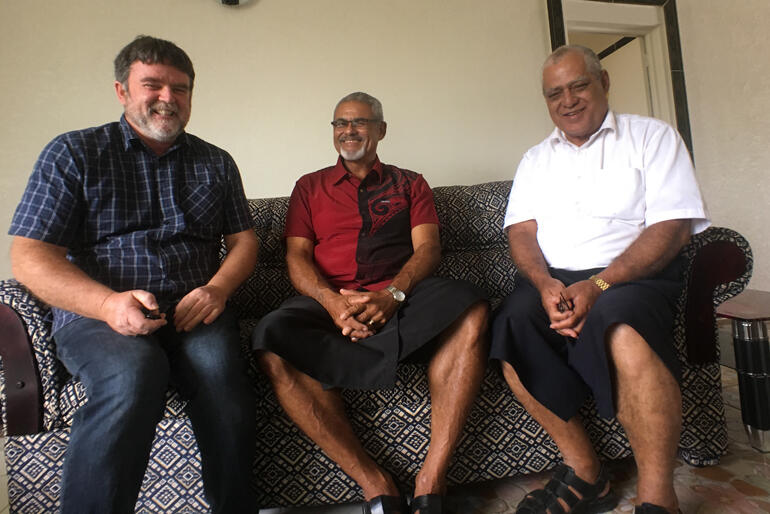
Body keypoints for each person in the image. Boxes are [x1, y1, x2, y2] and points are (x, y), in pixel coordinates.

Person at [9, 35, 258, 514]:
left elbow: (244, 241)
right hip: (99, 316)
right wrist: (107, 304)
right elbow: (29, 256)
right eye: (153, 85)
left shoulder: (216, 161)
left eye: (180, 88)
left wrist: (218, 288)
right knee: (133, 374)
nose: (168, 98)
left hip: (195, 312)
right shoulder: (73, 153)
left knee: (223, 380)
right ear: (122, 90)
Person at [490, 45, 709, 514]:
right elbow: (521, 232)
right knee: (510, 325)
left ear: (603, 82)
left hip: (631, 277)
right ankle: (587, 472)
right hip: (557, 281)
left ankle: (657, 496)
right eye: (555, 93)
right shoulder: (535, 159)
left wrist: (600, 285)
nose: (567, 101)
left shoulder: (652, 137)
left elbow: (671, 229)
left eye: (578, 86)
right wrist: (545, 284)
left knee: (622, 329)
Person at [251, 92, 488, 514]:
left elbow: (428, 249)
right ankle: (375, 483)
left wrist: (392, 295)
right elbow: (297, 257)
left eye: (359, 122)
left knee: (471, 308)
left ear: (381, 130)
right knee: (270, 338)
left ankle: (432, 478)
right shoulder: (309, 187)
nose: (349, 131)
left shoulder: (410, 183)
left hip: (400, 296)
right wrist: (330, 302)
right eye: (340, 123)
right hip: (331, 302)